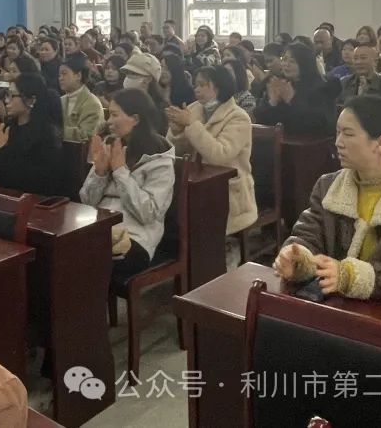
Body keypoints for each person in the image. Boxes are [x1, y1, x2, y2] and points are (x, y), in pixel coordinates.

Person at [274, 96, 381, 306]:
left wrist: (350, 276)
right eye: (338, 132)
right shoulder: (328, 186)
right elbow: (307, 234)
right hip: (338, 306)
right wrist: (298, 257)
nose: (338, 142)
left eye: (348, 134)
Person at [167, 66, 258, 270]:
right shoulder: (194, 109)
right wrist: (177, 131)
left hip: (228, 189)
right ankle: (193, 269)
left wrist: (191, 125)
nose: (196, 90)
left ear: (218, 87)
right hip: (197, 183)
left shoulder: (238, 117)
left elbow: (219, 154)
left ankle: (222, 265)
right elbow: (176, 150)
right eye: (195, 85)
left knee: (213, 243)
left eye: (202, 85)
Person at [80, 90, 175, 285]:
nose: (109, 121)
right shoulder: (110, 144)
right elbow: (87, 202)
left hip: (135, 239)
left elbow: (149, 213)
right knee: (60, 252)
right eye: (109, 114)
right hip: (101, 230)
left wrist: (120, 172)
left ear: (136, 119)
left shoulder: (159, 159)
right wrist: (100, 173)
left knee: (84, 263)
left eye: (115, 115)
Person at [0, 73, 70, 197]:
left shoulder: (47, 135)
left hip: (32, 201)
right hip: (1, 196)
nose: (6, 100)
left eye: (12, 95)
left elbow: (31, 182)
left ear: (30, 100)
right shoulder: (8, 127)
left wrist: (2, 148)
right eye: (7, 95)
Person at [254, 42, 338, 137]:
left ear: (305, 63)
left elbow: (320, 124)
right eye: (284, 59)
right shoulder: (280, 83)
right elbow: (260, 120)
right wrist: (272, 102)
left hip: (308, 142)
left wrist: (292, 100)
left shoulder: (322, 88)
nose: (286, 64)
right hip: (280, 140)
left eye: (292, 61)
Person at [121, 52, 169, 134]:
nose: (128, 78)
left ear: (148, 79)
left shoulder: (160, 109)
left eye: (133, 74)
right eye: (127, 74)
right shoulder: (122, 102)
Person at [60, 53, 103, 142]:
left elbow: (86, 134)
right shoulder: (61, 100)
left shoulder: (92, 104)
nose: (60, 78)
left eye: (64, 74)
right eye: (59, 75)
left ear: (78, 76)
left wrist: (57, 131)